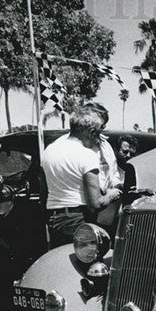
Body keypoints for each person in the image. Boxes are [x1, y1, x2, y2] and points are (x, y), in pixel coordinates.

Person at [44, 104, 121, 248]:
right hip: (78, 218)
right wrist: (112, 194)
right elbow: (95, 204)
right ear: (91, 132)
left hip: (54, 218)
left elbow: (45, 190)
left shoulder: (50, 150)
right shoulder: (87, 155)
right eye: (98, 133)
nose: (99, 140)